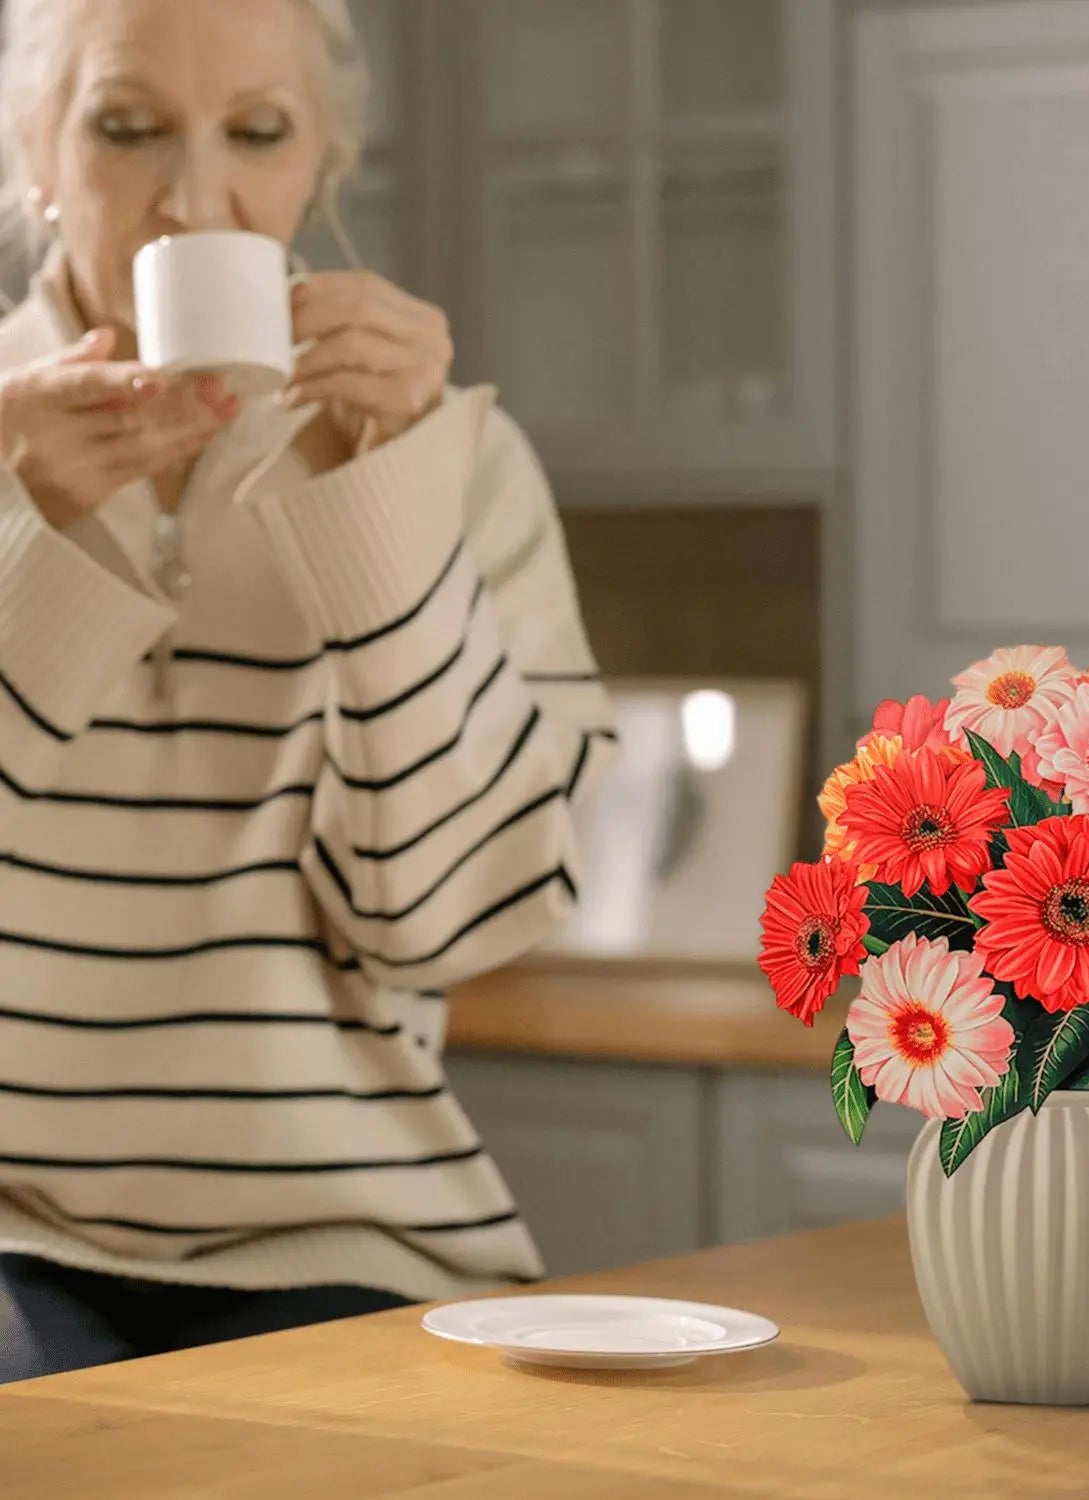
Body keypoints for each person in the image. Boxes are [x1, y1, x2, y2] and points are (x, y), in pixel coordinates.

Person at [0, 0, 612, 1382]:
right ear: (31, 149)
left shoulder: (451, 455)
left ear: (319, 167)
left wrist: (380, 510)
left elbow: (444, 922)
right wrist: (14, 519)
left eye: (257, 134)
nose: (191, 199)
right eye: (125, 127)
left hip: (358, 1243)